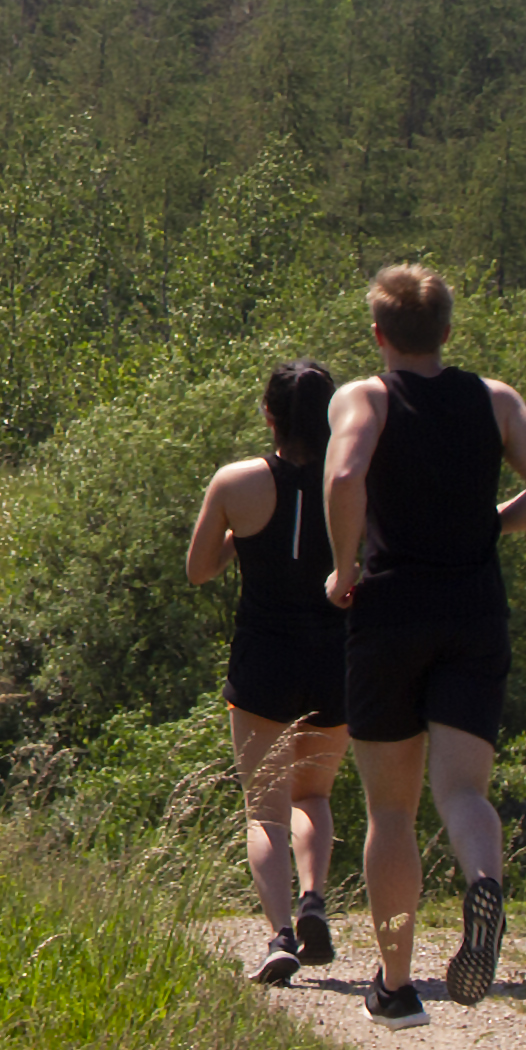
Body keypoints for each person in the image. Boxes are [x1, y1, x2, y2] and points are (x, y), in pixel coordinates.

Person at [323, 264, 526, 1023]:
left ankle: (396, 986)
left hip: (392, 607)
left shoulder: (365, 396)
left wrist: (343, 569)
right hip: (474, 610)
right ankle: (482, 880)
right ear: (447, 332)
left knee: (390, 812)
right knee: (464, 791)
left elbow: (343, 474)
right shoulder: (493, 399)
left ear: (378, 335)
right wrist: (491, 522)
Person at [187, 360, 355, 986]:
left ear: (268, 414)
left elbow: (199, 570)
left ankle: (281, 934)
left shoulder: (236, 482)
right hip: (334, 659)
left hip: (263, 660)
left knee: (265, 811)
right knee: (315, 795)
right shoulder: (353, 479)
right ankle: (315, 899)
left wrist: (239, 536)